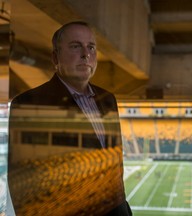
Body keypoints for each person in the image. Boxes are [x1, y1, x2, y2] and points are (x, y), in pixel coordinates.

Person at [8, 21, 132, 216]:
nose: (86, 54)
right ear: (55, 57)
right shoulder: (29, 103)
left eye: (91, 47)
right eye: (76, 46)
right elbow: (22, 185)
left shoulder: (107, 99)